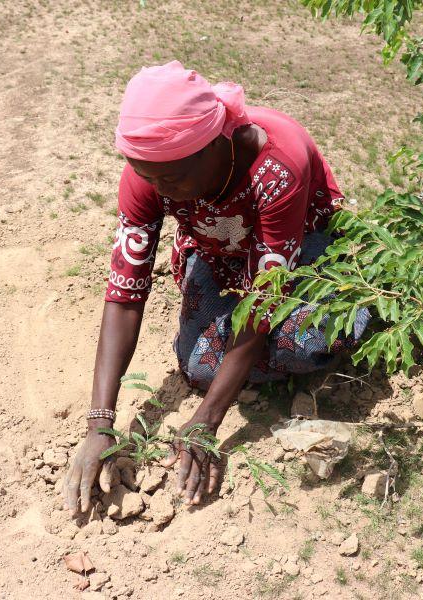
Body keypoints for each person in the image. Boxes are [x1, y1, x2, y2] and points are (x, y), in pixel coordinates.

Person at [63, 61, 368, 514]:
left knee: (313, 340)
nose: (160, 188)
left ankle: (366, 303)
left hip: (300, 252)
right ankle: (246, 359)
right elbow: (125, 292)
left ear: (214, 145)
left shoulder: (278, 165)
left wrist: (207, 420)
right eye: (149, 177)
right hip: (219, 249)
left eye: (172, 178)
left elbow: (266, 298)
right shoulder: (150, 173)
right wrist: (99, 424)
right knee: (200, 368)